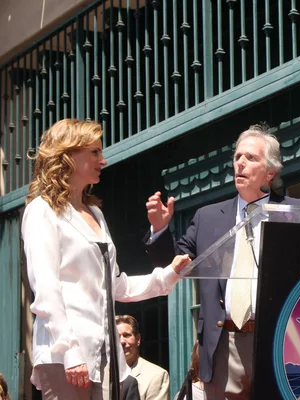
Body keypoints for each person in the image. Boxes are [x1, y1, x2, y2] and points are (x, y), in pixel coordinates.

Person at [22, 119, 191, 400]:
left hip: (104, 357)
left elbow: (116, 285)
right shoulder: (42, 210)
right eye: (95, 152)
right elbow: (47, 288)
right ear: (69, 154)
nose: (103, 159)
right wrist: (70, 351)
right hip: (65, 355)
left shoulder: (96, 214)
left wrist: (166, 275)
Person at [144, 123, 300, 399]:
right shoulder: (207, 217)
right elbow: (177, 264)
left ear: (270, 171)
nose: (241, 163)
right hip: (224, 344)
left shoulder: (297, 212)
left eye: (251, 158)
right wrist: (160, 230)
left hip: (279, 341)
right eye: (237, 157)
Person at [116, 315, 170, 400]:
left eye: (126, 335)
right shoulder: (103, 374)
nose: (122, 341)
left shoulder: (156, 375)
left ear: (138, 339)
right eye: (116, 337)